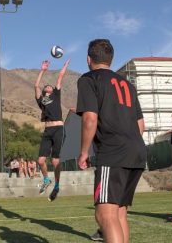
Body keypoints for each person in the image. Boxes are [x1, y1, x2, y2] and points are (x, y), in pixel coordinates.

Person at [77, 39, 146, 243]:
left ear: (89, 59)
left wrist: (83, 153)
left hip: (113, 153)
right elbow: (140, 123)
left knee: (104, 215)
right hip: (136, 151)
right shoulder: (127, 84)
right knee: (119, 213)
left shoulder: (88, 79)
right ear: (111, 60)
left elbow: (90, 119)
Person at [35, 58, 71, 202]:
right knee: (40, 161)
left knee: (55, 161)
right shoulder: (41, 100)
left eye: (50, 86)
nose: (49, 86)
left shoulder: (56, 95)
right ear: (44, 91)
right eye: (47, 86)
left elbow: (60, 77)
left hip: (59, 129)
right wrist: (42, 70)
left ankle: (56, 186)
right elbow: (36, 85)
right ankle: (46, 180)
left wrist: (65, 66)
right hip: (47, 131)